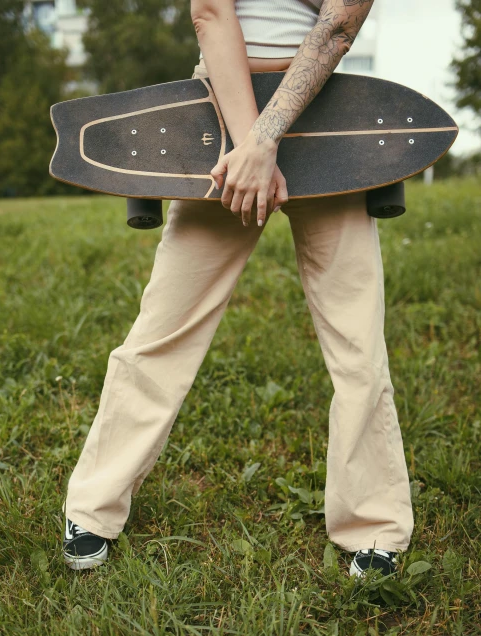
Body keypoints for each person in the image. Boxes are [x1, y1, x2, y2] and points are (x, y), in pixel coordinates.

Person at [62, 0, 414, 578]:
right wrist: (250, 142)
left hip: (327, 116)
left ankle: (375, 524)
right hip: (220, 117)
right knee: (163, 328)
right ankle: (92, 509)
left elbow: (339, 23)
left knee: (358, 341)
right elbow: (211, 12)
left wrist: (266, 139)